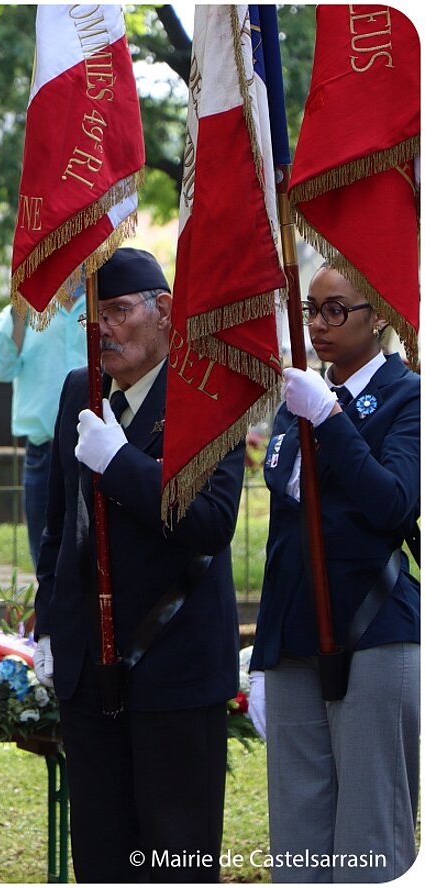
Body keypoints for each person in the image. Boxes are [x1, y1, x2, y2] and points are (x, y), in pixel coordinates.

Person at [32, 247, 244, 882]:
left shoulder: (208, 390)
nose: (103, 329)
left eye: (119, 312)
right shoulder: (81, 390)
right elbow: (59, 524)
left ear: (166, 312)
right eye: (93, 317)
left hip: (174, 664)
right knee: (102, 856)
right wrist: (51, 625)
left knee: (176, 856)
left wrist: (120, 462)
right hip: (89, 669)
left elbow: (211, 521)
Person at [249, 263, 419, 882]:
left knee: (369, 835)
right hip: (295, 632)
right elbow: (285, 533)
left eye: (336, 310)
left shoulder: (407, 397)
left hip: (372, 627)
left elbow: (392, 503)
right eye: (311, 309)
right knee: (298, 836)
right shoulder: (301, 395)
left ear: (378, 316)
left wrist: (331, 419)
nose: (318, 325)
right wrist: (264, 651)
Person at [0, 283, 86, 567]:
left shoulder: (105, 300)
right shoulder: (28, 308)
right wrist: (19, 313)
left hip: (96, 448)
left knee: (96, 552)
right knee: (45, 554)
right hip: (45, 451)